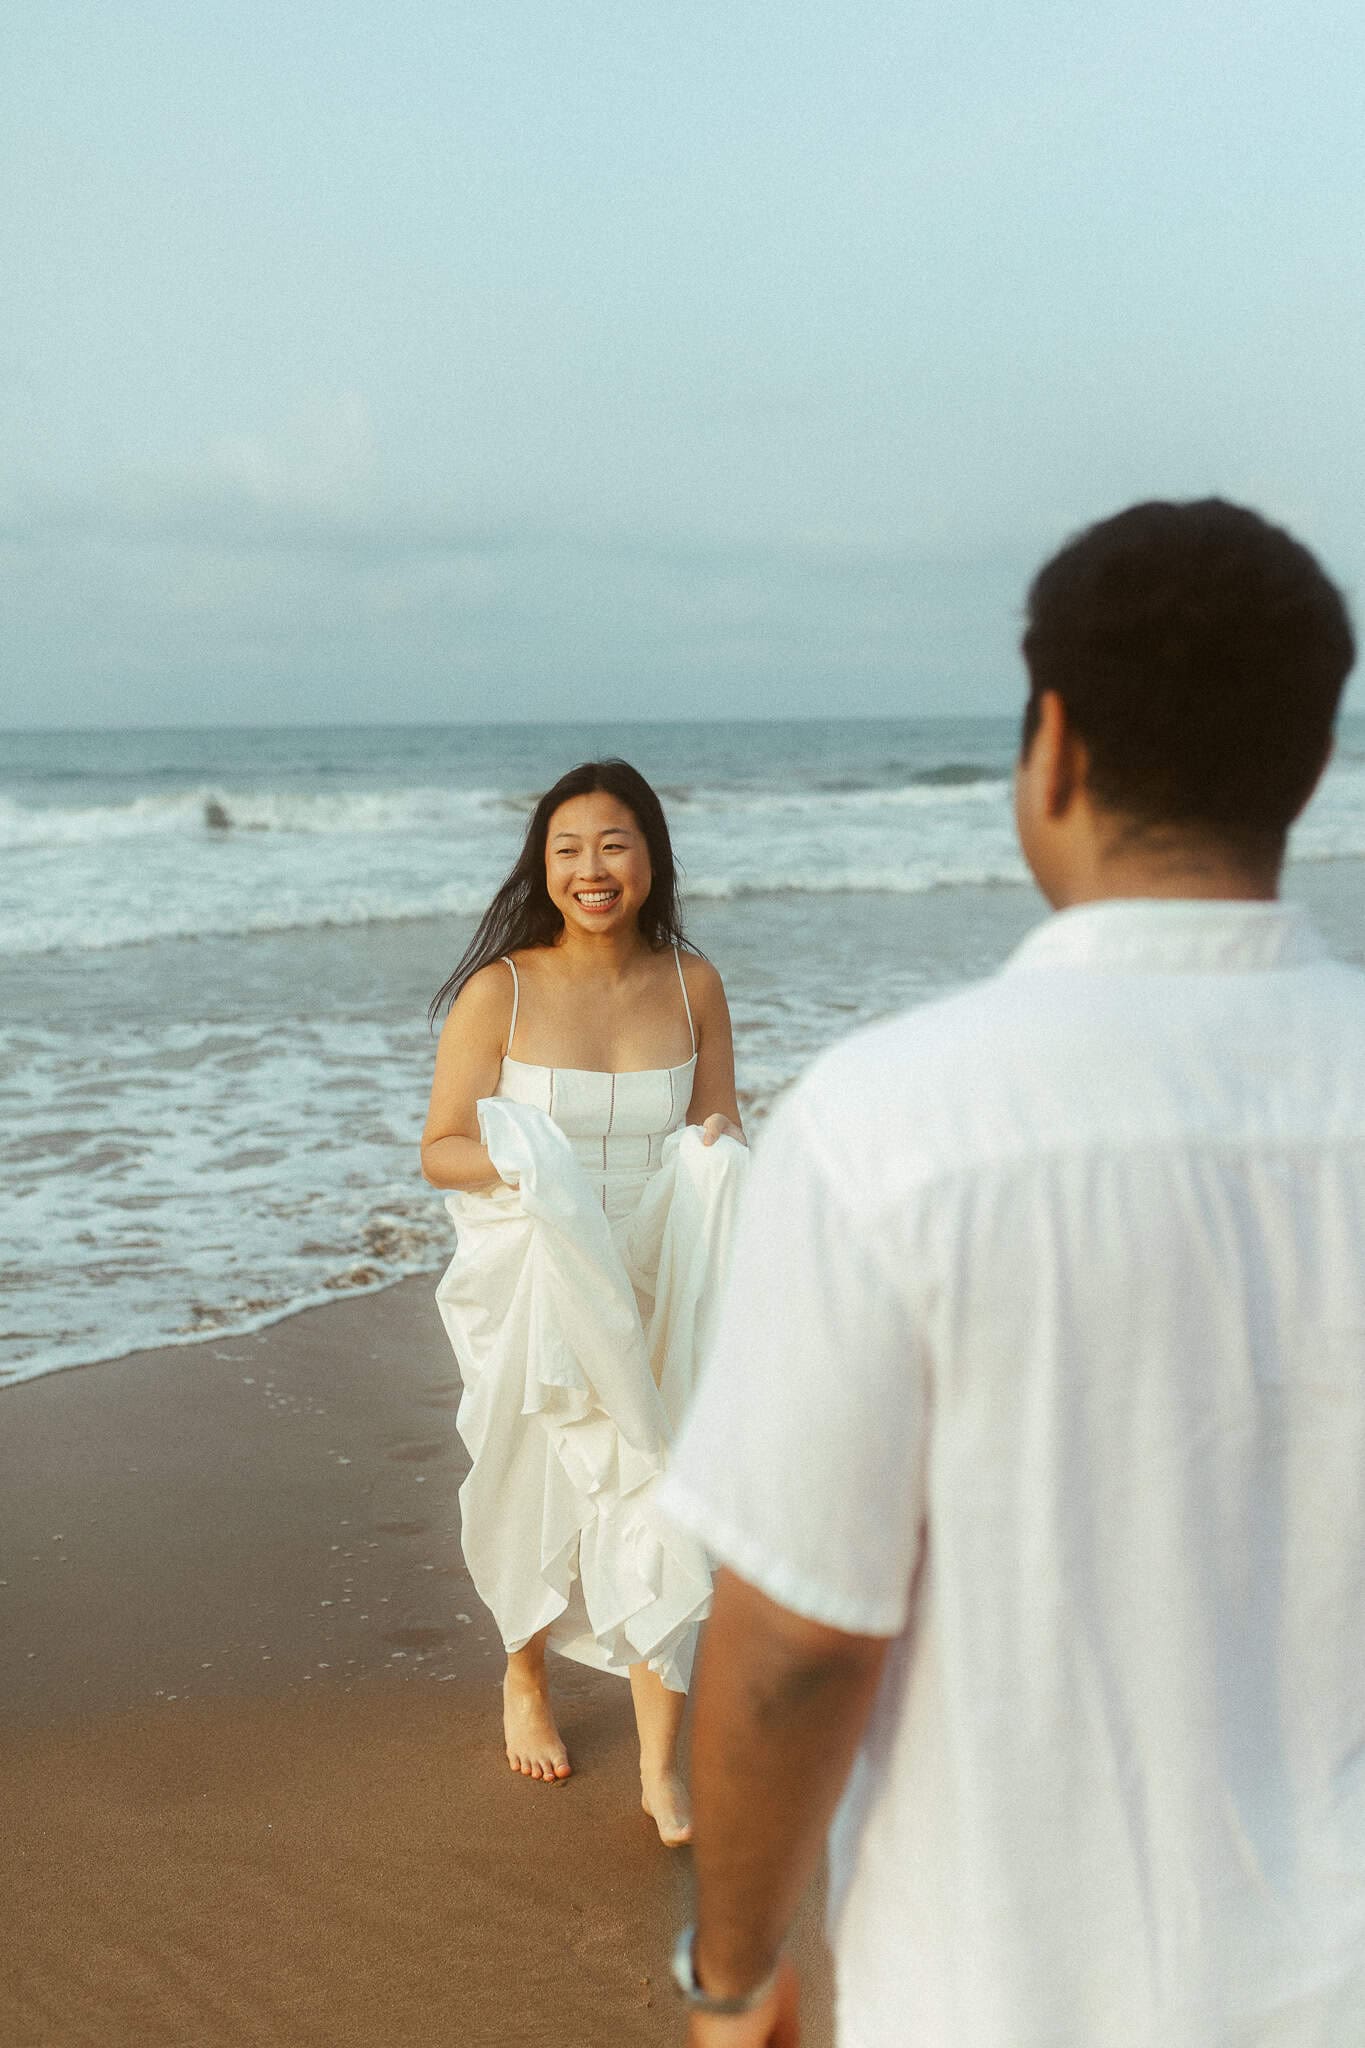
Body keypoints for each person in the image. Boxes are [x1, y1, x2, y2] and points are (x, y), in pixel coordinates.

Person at [660, 500, 1365, 2043]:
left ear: (1051, 747)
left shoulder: (889, 1125)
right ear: (1310, 763)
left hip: (1000, 1992)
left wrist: (735, 1969)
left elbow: (798, 1646)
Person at [422, 759, 746, 1847]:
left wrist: (718, 1153)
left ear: (650, 856)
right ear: (543, 866)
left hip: (657, 1265)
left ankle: (658, 1765)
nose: (590, 868)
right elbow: (441, 1148)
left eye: (613, 844)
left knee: (660, 1483)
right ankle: (523, 1674)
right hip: (540, 1267)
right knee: (533, 1472)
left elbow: (719, 1122)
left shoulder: (693, 983)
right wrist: (534, 1170)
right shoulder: (501, 989)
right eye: (567, 849)